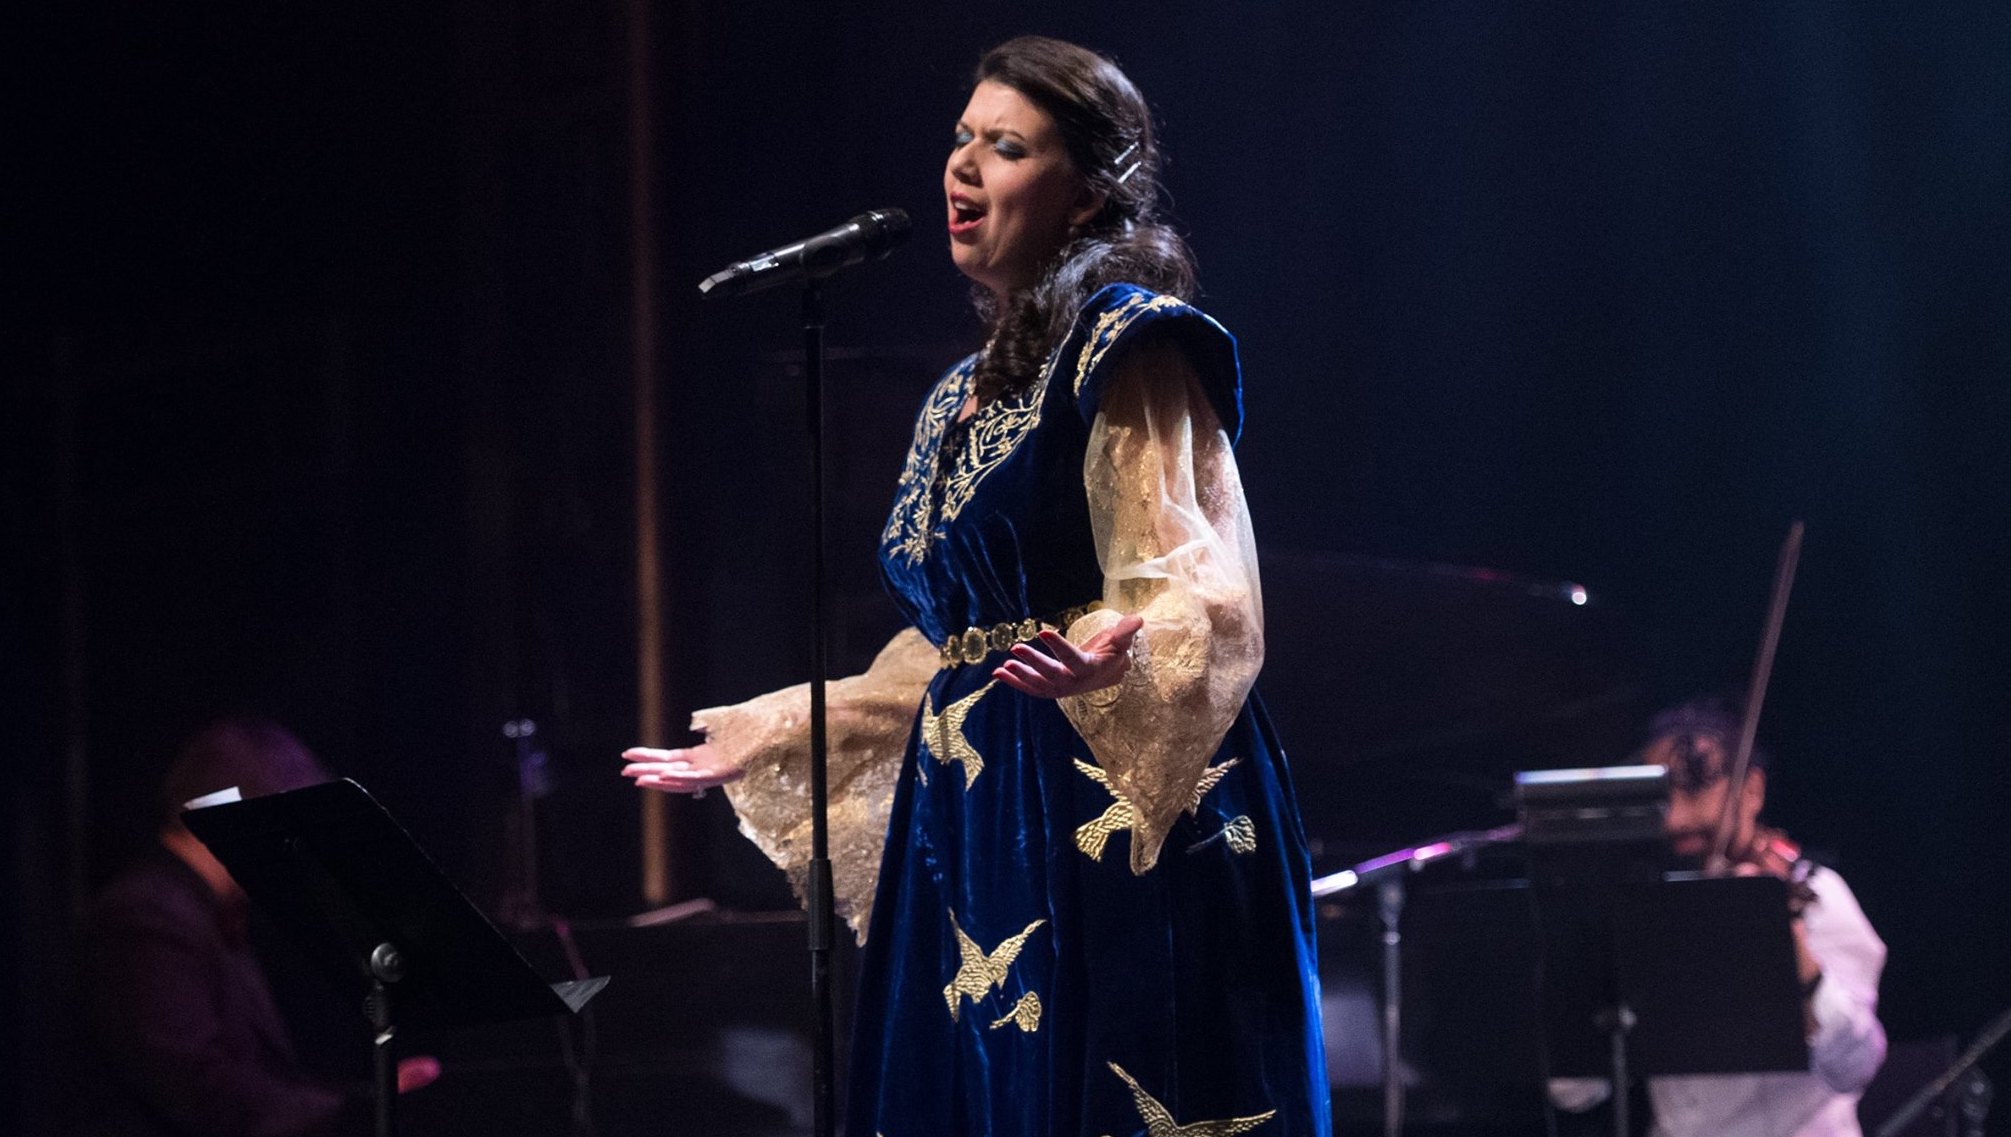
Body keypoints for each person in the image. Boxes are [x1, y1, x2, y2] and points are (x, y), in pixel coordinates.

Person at [623, 35, 1329, 1137]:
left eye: (1005, 148)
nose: (962, 168)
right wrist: (781, 731)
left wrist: (1121, 649)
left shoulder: (1129, 348)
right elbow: (954, 644)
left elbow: (1199, 577)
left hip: (1109, 788)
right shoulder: (958, 391)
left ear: (1088, 195)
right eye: (961, 140)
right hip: (973, 801)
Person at [75, 718, 440, 1137]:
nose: (297, 852)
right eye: (287, 826)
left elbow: (254, 1082)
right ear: (233, 815)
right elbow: (202, 1091)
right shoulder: (144, 918)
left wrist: (366, 1100)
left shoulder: (201, 912)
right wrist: (351, 1113)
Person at [1550, 698, 1888, 1137]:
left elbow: (1855, 1066)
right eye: (1659, 795)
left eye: (1695, 785)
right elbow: (1573, 1093)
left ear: (1752, 790)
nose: (1673, 817)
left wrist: (1793, 947)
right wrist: (1586, 978)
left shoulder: (1816, 894)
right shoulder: (1645, 911)